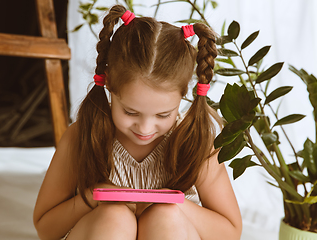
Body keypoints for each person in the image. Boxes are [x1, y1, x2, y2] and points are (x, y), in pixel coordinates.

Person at [33, 4, 242, 240]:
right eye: (131, 112)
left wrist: (171, 203)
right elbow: (46, 228)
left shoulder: (194, 141)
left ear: (184, 93)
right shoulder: (82, 135)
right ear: (109, 83)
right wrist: (95, 197)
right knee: (114, 217)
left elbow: (230, 232)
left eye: (163, 115)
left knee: (165, 216)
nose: (144, 128)